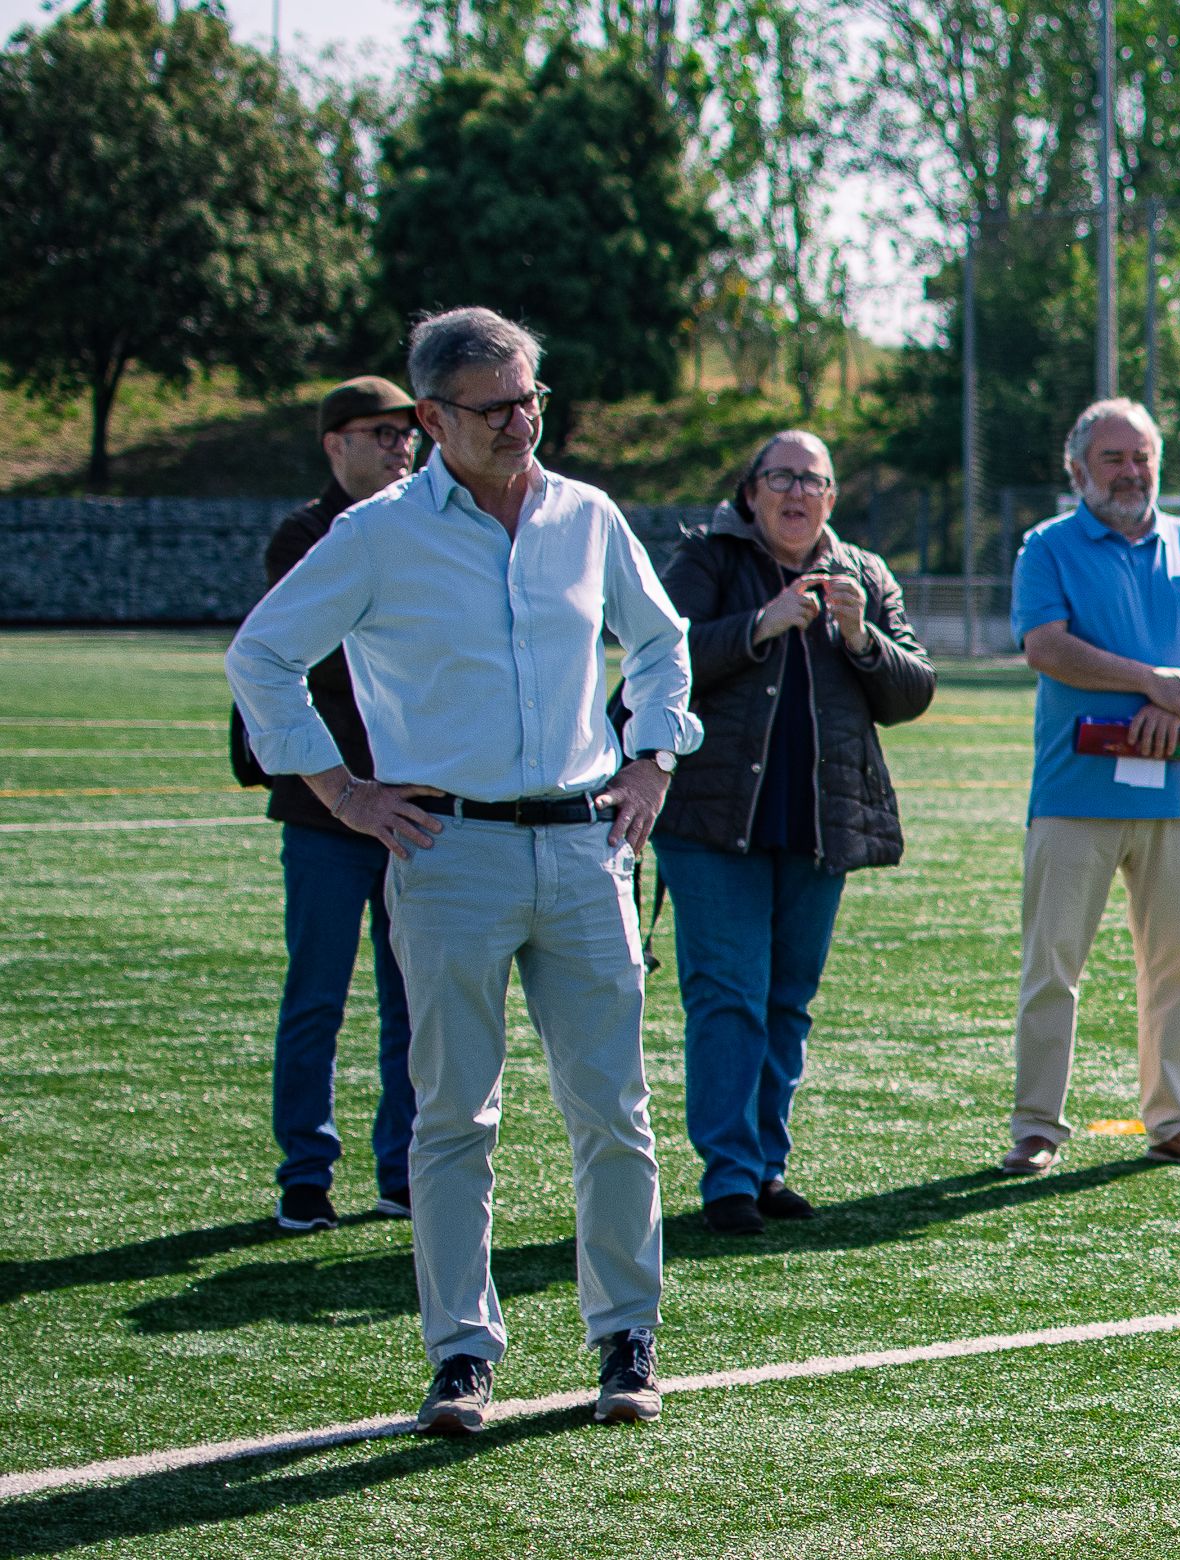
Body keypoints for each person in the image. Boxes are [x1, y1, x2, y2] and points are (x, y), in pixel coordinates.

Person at [225, 307, 701, 1438]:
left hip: (588, 847)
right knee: (453, 1117)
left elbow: (664, 638)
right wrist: (342, 792)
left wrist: (653, 760)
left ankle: (626, 1336)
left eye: (533, 399)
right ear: (432, 418)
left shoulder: (587, 516)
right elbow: (263, 655)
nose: (522, 424)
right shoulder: (380, 534)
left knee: (615, 1112)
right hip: (448, 851)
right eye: (495, 408)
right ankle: (460, 1353)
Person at [652, 431, 935, 1236]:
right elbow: (662, 659)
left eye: (814, 481)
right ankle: (730, 1176)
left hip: (820, 823)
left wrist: (861, 639)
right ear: (750, 493)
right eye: (781, 477)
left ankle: (768, 1164)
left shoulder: (865, 575)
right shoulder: (707, 561)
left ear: (832, 500)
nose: (798, 493)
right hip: (712, 822)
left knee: (787, 1001)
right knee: (728, 995)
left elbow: (913, 691)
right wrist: (761, 623)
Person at [1002, 397, 1180, 1176]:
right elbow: (1046, 646)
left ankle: (1174, 1118)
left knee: (1179, 962)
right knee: (1054, 965)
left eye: (1141, 456)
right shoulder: (1046, 547)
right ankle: (1037, 1125)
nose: (1130, 471)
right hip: (1075, 793)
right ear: (1078, 470)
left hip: (1178, 795)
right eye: (1113, 458)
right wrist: (1155, 684)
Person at [228, 377, 423, 1231]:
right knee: (316, 995)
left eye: (406, 433)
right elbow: (330, 652)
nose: (399, 447)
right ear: (333, 443)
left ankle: (402, 1167)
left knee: (412, 999)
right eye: (380, 433)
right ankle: (305, 1171)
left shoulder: (423, 526)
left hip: (414, 806)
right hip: (326, 811)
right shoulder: (306, 537)